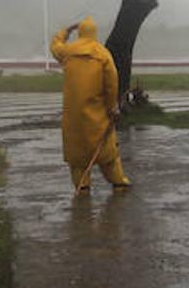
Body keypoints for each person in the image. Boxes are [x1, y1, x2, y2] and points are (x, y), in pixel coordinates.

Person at [51, 16, 132, 192]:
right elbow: (112, 84)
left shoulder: (68, 52)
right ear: (94, 32)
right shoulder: (102, 55)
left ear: (80, 32)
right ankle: (119, 182)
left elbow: (54, 45)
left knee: (77, 160)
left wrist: (66, 30)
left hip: (74, 119)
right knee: (108, 155)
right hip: (97, 116)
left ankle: (83, 188)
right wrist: (112, 108)